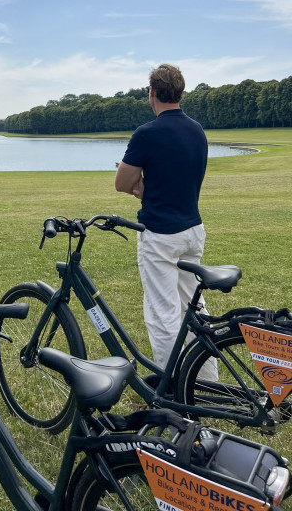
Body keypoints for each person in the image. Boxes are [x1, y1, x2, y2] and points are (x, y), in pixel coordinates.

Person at [115, 64, 216, 378]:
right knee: (194, 311)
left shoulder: (147, 133)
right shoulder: (197, 130)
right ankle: (207, 385)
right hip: (193, 230)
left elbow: (122, 183)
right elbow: (182, 179)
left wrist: (141, 186)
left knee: (164, 316)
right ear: (180, 93)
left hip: (160, 235)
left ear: (152, 93)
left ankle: (171, 391)